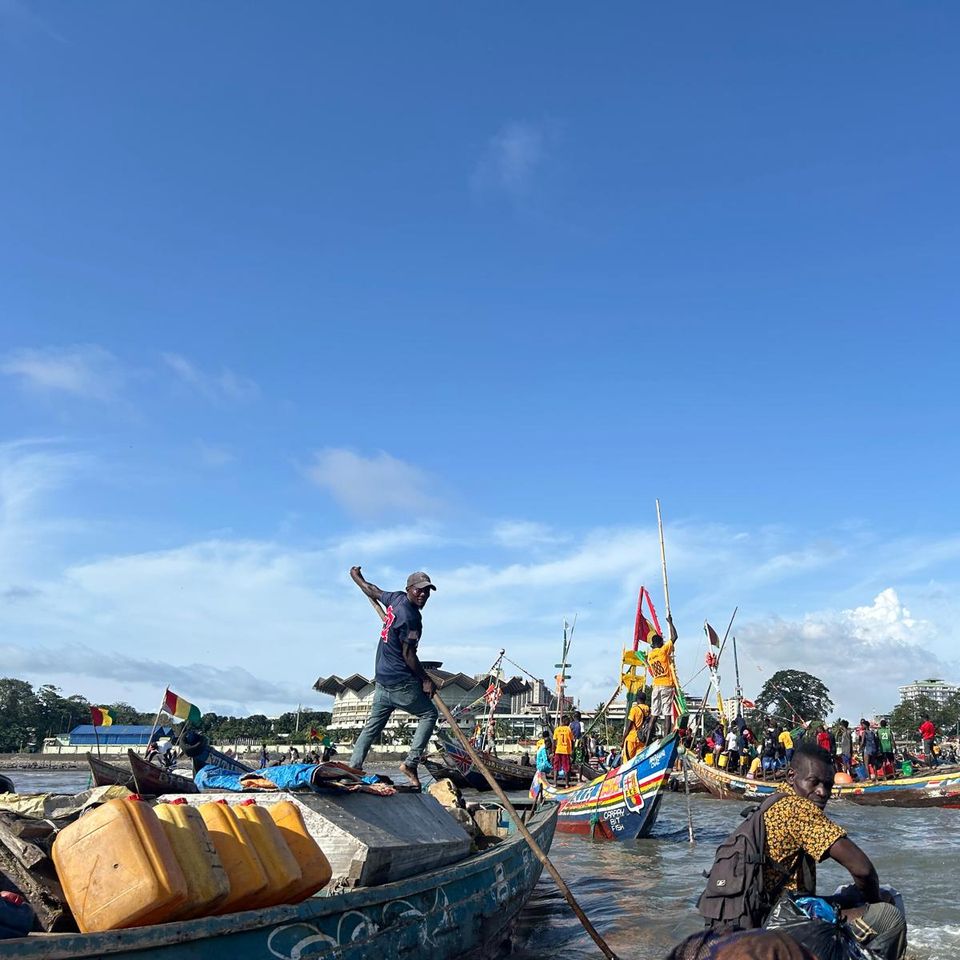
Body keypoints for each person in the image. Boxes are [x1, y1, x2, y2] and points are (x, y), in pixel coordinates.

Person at [348, 566, 439, 789]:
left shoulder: (395, 599)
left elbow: (372, 590)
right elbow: (409, 655)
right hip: (400, 682)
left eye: (427, 591)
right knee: (429, 714)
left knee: (371, 728)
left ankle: (354, 768)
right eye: (419, 591)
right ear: (409, 589)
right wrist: (426, 679)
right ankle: (410, 763)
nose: (423, 595)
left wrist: (357, 578)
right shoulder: (412, 619)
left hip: (382, 680)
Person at [646, 615, 679, 736]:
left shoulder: (650, 656)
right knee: (667, 714)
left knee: (654, 715)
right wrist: (670, 622)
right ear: (660, 643)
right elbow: (675, 637)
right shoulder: (662, 651)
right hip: (666, 685)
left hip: (656, 686)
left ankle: (648, 741)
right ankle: (666, 738)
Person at [622, 692, 650, 761]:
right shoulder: (648, 709)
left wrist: (623, 740)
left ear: (637, 699)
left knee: (627, 760)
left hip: (632, 738)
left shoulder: (634, 709)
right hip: (642, 738)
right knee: (638, 760)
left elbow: (628, 726)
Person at [552, 716, 574, 783]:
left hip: (558, 750)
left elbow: (554, 741)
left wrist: (553, 751)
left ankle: (555, 782)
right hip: (566, 751)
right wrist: (572, 750)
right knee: (566, 767)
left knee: (556, 767)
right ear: (566, 721)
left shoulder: (557, 729)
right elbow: (572, 740)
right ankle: (567, 784)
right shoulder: (568, 729)